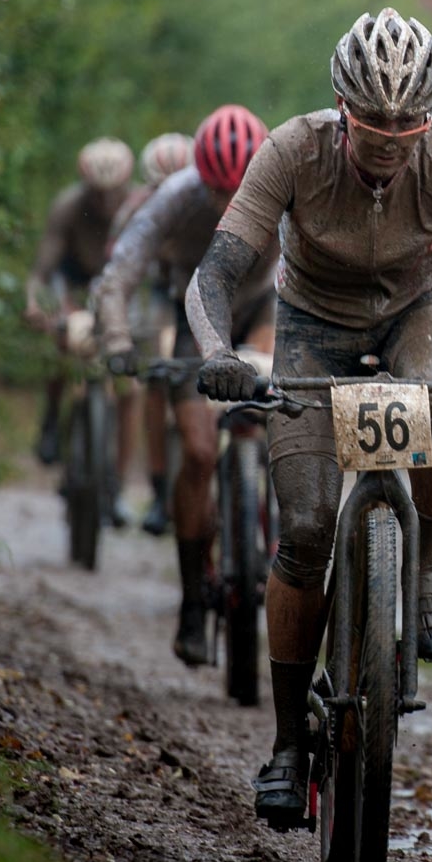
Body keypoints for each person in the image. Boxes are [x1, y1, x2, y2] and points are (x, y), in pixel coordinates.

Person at [184, 7, 432, 828]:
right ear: (341, 108)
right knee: (308, 529)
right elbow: (215, 272)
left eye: (408, 122)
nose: (391, 137)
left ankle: (424, 569)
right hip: (310, 327)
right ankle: (289, 744)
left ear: (429, 116)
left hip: (417, 311)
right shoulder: (290, 150)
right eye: (372, 121)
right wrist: (216, 348)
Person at [96, 107, 275, 665]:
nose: (229, 207)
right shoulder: (175, 195)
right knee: (197, 452)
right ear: (200, 178)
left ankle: (275, 533)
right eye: (217, 193)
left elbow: (305, 265)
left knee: (292, 432)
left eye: (238, 191)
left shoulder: (283, 184)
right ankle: (193, 601)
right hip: (196, 318)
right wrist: (118, 340)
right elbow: (122, 269)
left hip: (266, 308)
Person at [26, 137, 136, 468]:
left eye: (113, 192)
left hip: (122, 289)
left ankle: (118, 476)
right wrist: (35, 303)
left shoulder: (140, 206)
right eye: (97, 193)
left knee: (130, 387)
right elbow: (42, 270)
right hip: (72, 284)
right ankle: (51, 420)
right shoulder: (67, 207)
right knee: (63, 339)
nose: (105, 201)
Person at [109, 131, 197, 537]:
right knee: (157, 377)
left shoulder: (207, 200)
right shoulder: (135, 208)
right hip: (158, 291)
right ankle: (161, 490)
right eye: (163, 189)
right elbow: (119, 263)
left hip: (198, 287)